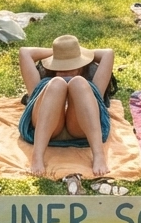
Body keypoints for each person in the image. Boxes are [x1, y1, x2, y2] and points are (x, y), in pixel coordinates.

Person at [18, 35, 114, 177]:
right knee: (57, 84)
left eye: (71, 66)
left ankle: (98, 155)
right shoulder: (44, 83)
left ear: (81, 66)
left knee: (79, 83)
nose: (65, 72)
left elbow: (108, 53)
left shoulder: (88, 83)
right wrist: (60, 52)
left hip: (80, 129)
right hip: (48, 130)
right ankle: (37, 156)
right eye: (61, 67)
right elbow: (24, 52)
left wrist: (73, 51)